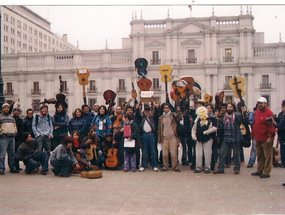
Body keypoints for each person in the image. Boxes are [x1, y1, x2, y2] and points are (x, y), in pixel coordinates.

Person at [213, 103, 243, 175]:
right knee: (222, 153)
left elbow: (240, 122)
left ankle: (237, 168)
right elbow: (220, 127)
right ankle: (221, 168)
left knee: (236, 154)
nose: (229, 108)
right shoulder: (224, 116)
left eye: (230, 107)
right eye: (228, 107)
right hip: (226, 137)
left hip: (235, 137)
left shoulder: (237, 115)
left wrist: (243, 113)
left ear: (233, 108)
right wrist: (219, 136)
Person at [251, 97, 276, 178]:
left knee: (267, 156)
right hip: (258, 138)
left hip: (266, 139)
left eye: (261, 103)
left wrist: (271, 136)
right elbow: (254, 124)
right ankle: (259, 170)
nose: (260, 105)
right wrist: (253, 133)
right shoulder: (257, 112)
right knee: (259, 155)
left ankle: (266, 171)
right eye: (259, 103)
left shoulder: (269, 113)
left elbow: (272, 126)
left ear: (265, 104)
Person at [192, 106, 217, 173]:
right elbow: (194, 129)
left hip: (208, 139)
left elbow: (214, 128)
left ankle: (207, 167)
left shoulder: (210, 120)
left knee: (207, 153)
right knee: (198, 153)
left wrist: (207, 132)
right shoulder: (197, 120)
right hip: (199, 139)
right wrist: (194, 136)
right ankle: (198, 167)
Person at [158, 103, 181, 172]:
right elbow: (159, 129)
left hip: (173, 136)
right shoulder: (161, 118)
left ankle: (175, 166)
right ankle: (165, 166)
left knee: (173, 153)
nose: (166, 109)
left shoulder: (173, 115)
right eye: (165, 108)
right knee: (165, 153)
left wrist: (178, 111)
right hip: (164, 137)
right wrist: (159, 138)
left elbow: (180, 118)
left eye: (167, 108)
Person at [0, 103, 19, 175]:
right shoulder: (0, 117)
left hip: (12, 137)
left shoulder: (12, 117)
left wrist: (15, 132)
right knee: (2, 154)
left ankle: (12, 168)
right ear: (3, 109)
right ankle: (1, 169)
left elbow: (15, 126)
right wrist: (1, 134)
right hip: (3, 138)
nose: (6, 109)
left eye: (7, 108)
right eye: (5, 108)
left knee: (12, 154)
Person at [139, 104, 159, 172]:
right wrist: (138, 107)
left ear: (151, 111)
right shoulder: (142, 118)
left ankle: (154, 165)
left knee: (153, 150)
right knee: (144, 151)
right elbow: (137, 115)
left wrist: (155, 107)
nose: (147, 112)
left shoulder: (153, 118)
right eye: (146, 111)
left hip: (151, 135)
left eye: (148, 111)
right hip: (144, 134)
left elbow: (157, 114)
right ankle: (143, 165)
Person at [273, 100, 285, 169]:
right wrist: (275, 118)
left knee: (283, 150)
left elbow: (282, 125)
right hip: (281, 135)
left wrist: (274, 125)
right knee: (282, 149)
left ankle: (284, 162)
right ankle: (282, 161)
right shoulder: (281, 114)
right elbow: (279, 121)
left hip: (283, 135)